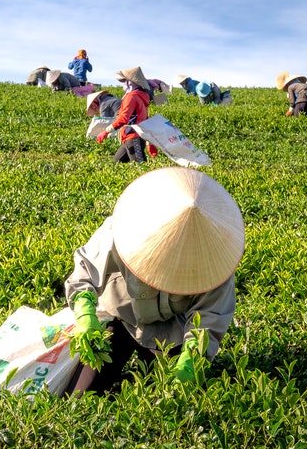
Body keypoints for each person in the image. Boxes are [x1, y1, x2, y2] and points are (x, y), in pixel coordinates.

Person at [64, 167, 245, 394]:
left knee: (168, 400)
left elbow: (209, 319)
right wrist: (85, 313)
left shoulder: (217, 262)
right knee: (81, 395)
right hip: (121, 317)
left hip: (172, 331)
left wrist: (191, 358)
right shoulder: (121, 229)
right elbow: (86, 271)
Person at [97, 66, 155, 162]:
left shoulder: (131, 97)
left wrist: (106, 131)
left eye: (124, 81)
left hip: (134, 137)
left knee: (140, 168)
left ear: (130, 83)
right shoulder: (141, 97)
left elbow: (123, 118)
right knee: (116, 163)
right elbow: (145, 121)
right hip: (130, 138)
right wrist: (150, 143)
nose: (123, 84)